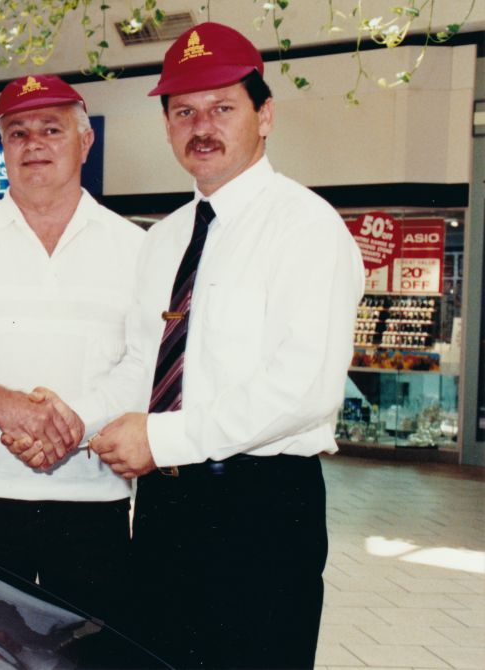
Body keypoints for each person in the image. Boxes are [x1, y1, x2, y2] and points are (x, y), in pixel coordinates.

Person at [87, 22, 364, 669]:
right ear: (165, 125)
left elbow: (304, 388)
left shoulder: (306, 230)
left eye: (222, 108)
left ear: (264, 115)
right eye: (183, 111)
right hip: (164, 504)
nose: (200, 126)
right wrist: (71, 418)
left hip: (264, 509)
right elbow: (142, 365)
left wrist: (160, 439)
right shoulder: (164, 239)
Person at [0, 74, 144, 619]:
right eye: (17, 132)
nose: (34, 143)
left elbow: (145, 365)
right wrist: (13, 408)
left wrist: (74, 424)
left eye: (52, 129)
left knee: (89, 657)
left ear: (85, 141)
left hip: (95, 502)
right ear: (3, 149)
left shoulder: (136, 247)